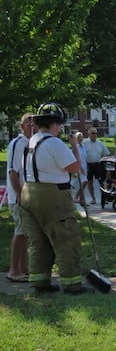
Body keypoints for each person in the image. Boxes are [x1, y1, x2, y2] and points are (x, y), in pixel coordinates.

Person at [20, 102, 92, 294]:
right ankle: (71, 285)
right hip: (52, 197)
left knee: (39, 242)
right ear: (54, 124)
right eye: (59, 125)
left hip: (28, 193)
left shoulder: (31, 141)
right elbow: (75, 167)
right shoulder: (54, 143)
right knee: (66, 239)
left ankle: (39, 283)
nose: (59, 129)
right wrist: (75, 147)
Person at [6, 113, 36, 282]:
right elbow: (13, 171)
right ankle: (13, 270)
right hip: (18, 197)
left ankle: (23, 268)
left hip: (25, 195)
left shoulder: (28, 143)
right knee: (20, 232)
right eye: (29, 122)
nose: (33, 126)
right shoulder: (18, 143)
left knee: (24, 233)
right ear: (22, 125)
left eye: (34, 123)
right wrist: (19, 195)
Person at [83, 127, 110, 204]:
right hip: (89, 165)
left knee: (101, 182)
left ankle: (104, 198)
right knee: (90, 182)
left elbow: (107, 154)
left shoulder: (100, 143)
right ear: (89, 134)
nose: (95, 135)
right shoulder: (84, 143)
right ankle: (93, 198)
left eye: (96, 133)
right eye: (93, 133)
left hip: (98, 164)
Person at [72, 132, 88, 204]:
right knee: (84, 182)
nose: (80, 139)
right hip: (79, 167)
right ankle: (76, 197)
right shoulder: (76, 147)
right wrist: (80, 168)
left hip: (84, 166)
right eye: (79, 137)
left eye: (81, 137)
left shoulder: (83, 146)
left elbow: (84, 157)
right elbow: (75, 158)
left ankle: (82, 200)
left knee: (84, 183)